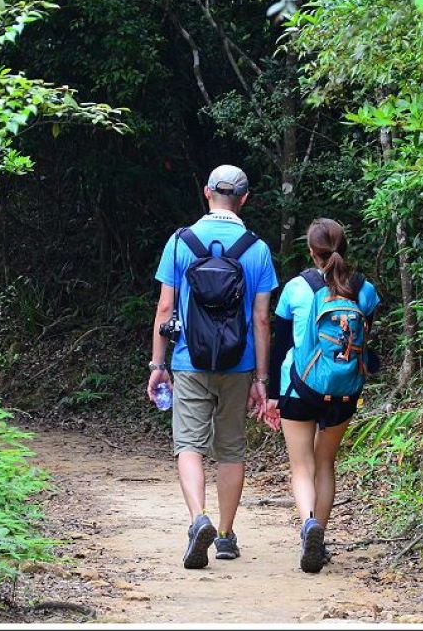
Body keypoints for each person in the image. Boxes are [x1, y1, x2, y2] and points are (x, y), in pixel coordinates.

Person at [147, 164, 278, 569]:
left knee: (188, 443)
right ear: (244, 199)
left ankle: (196, 519)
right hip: (238, 364)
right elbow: (260, 320)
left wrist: (158, 364)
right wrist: (261, 378)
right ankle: (224, 535)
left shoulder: (180, 242)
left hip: (189, 359)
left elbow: (165, 307)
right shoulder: (256, 248)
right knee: (231, 448)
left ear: (207, 192)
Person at [267, 218, 380, 573]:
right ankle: (321, 539)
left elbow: (280, 345)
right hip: (344, 390)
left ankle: (308, 526)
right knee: (326, 464)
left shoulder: (296, 288)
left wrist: (271, 394)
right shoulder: (365, 290)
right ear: (344, 246)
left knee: (302, 466)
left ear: (310, 251)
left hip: (300, 388)